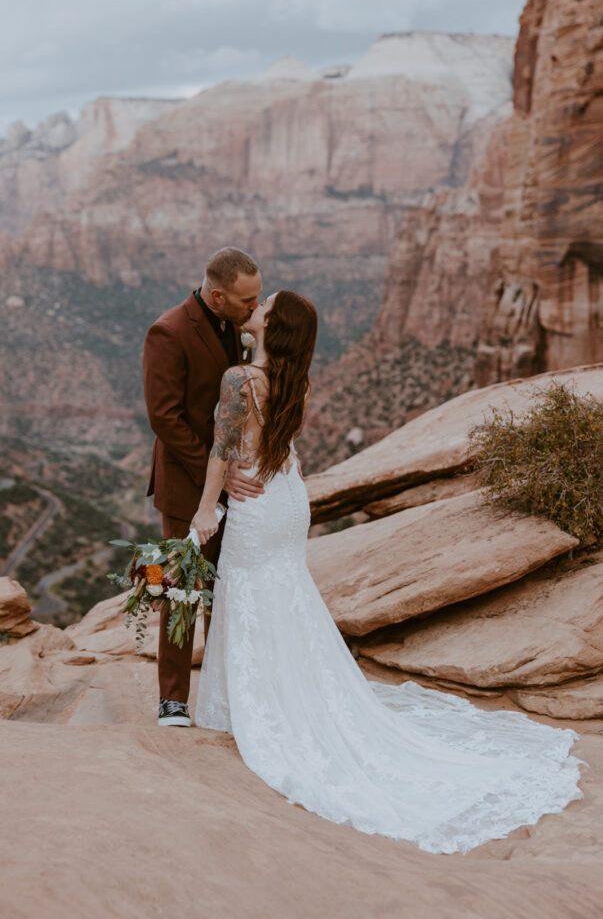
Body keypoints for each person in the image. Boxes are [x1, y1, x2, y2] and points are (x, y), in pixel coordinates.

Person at [191, 289, 584, 855]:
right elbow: (280, 450)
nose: (255, 309)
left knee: (254, 595)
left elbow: (222, 451)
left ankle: (258, 708)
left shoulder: (240, 380)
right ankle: (284, 696)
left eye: (264, 307)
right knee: (285, 596)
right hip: (287, 501)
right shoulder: (295, 379)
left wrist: (209, 507)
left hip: (256, 508)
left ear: (271, 328)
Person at [143, 247, 264, 727]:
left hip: (237, 484)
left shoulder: (239, 326)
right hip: (185, 483)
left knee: (225, 588)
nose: (254, 309)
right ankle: (172, 699)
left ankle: (219, 689)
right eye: (246, 301)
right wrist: (216, 472)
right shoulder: (168, 331)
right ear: (217, 295)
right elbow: (164, 418)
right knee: (181, 590)